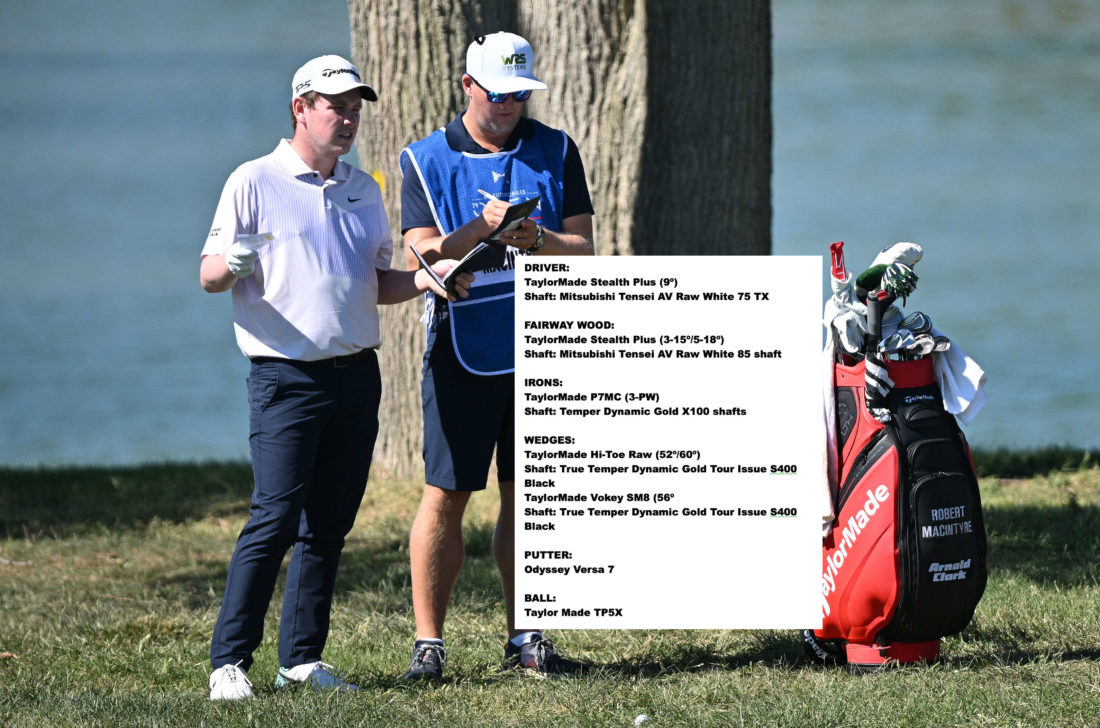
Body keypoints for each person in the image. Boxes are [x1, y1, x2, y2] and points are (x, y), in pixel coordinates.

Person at [200, 54, 470, 701]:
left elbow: (379, 282)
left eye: (354, 107)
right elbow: (210, 275)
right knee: (274, 517)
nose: (347, 118)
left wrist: (430, 282)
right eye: (334, 105)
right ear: (301, 108)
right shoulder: (255, 180)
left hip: (357, 375)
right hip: (285, 377)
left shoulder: (361, 189)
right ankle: (229, 664)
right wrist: (233, 262)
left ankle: (302, 658)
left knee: (328, 525)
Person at [398, 32, 595, 680]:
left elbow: (584, 247)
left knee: (527, 494)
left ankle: (526, 639)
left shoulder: (557, 149)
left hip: (541, 349)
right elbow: (421, 254)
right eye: (496, 92)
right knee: (447, 496)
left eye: (519, 93)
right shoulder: (423, 159)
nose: (509, 104)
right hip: (463, 351)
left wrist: (539, 238)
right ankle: (430, 646)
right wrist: (482, 230)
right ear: (466, 86)